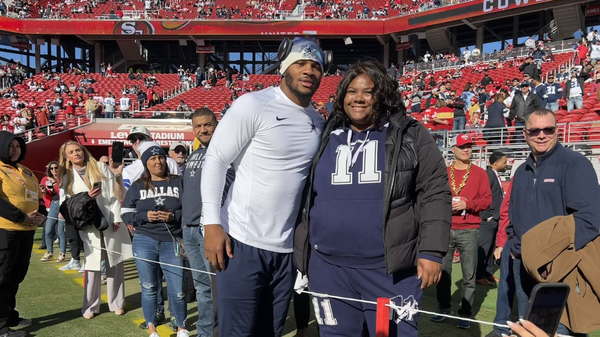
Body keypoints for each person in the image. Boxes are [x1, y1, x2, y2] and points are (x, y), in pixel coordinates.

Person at [294, 59, 451, 336]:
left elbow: (435, 191)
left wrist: (431, 251)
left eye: (368, 91)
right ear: (342, 96)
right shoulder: (325, 133)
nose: (359, 98)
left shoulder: (410, 133)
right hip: (329, 269)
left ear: (383, 95)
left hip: (389, 271)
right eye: (352, 91)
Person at [201, 37, 328, 336]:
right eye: (300, 63)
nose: (308, 71)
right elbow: (217, 159)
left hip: (286, 251)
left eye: (315, 66)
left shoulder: (318, 121)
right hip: (242, 243)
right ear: (284, 68)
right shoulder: (253, 104)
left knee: (269, 333)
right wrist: (211, 224)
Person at [508, 109, 600, 337]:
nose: (541, 135)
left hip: (558, 270)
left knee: (560, 331)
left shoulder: (575, 164)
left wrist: (548, 255)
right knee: (528, 329)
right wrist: (513, 245)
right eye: (535, 130)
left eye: (548, 129)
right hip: (522, 266)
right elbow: (514, 214)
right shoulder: (521, 170)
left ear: (557, 131)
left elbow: (589, 219)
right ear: (525, 133)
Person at [58, 141, 132, 319]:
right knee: (92, 266)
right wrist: (85, 198)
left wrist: (115, 216)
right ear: (66, 157)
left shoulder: (99, 167)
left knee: (115, 262)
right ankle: (90, 306)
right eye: (71, 152)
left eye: (78, 150)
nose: (76, 154)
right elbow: (67, 203)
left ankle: (117, 303)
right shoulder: (67, 176)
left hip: (110, 220)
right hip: (88, 225)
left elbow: (113, 195)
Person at [121, 145, 189, 337]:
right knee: (149, 287)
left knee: (178, 289)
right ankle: (152, 327)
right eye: (152, 159)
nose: (158, 161)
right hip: (144, 241)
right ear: (145, 163)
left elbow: (190, 211)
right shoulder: (137, 185)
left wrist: (173, 216)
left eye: (160, 158)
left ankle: (181, 326)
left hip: (172, 240)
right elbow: (125, 213)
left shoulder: (179, 182)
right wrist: (145, 216)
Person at [182, 108, 234, 337]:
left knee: (217, 290)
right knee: (201, 288)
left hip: (210, 230)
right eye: (197, 126)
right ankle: (204, 332)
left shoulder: (226, 150)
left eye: (207, 124)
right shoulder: (193, 154)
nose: (202, 129)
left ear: (216, 124)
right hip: (190, 230)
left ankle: (219, 332)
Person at [431, 134, 491, 329]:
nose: (466, 150)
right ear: (453, 150)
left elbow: (487, 201)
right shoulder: (443, 172)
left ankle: (465, 313)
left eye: (469, 147)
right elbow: (435, 196)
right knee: (444, 272)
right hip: (446, 228)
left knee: (469, 275)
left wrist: (469, 204)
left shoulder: (480, 173)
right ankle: (443, 308)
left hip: (469, 229)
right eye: (462, 147)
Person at [0, 131, 45, 337]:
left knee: (16, 276)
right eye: (10, 146)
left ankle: (9, 315)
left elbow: (39, 197)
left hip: (26, 231)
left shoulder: (25, 170)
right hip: (5, 230)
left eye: (18, 146)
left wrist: (41, 215)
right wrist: (21, 217)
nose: (15, 150)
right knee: (2, 277)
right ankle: (1, 328)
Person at [476, 151, 507, 286]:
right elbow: (483, 196)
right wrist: (487, 215)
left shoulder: (494, 175)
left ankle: (487, 273)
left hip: (495, 217)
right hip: (489, 218)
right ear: (496, 163)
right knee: (484, 247)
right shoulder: (488, 175)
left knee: (491, 248)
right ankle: (479, 275)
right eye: (504, 162)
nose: (506, 165)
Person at [123, 126, 180, 190]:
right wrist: (118, 175)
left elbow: (179, 187)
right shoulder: (127, 170)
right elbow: (122, 197)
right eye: (134, 140)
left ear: (150, 140)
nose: (137, 142)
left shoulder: (169, 162)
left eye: (141, 138)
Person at [40, 161, 67, 263]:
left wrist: (55, 183)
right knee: (48, 230)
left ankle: (62, 253)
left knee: (61, 232)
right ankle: (49, 252)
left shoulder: (63, 178)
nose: (54, 170)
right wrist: (45, 192)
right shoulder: (45, 179)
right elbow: (48, 195)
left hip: (62, 205)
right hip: (53, 205)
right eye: (51, 168)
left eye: (56, 168)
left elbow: (63, 193)